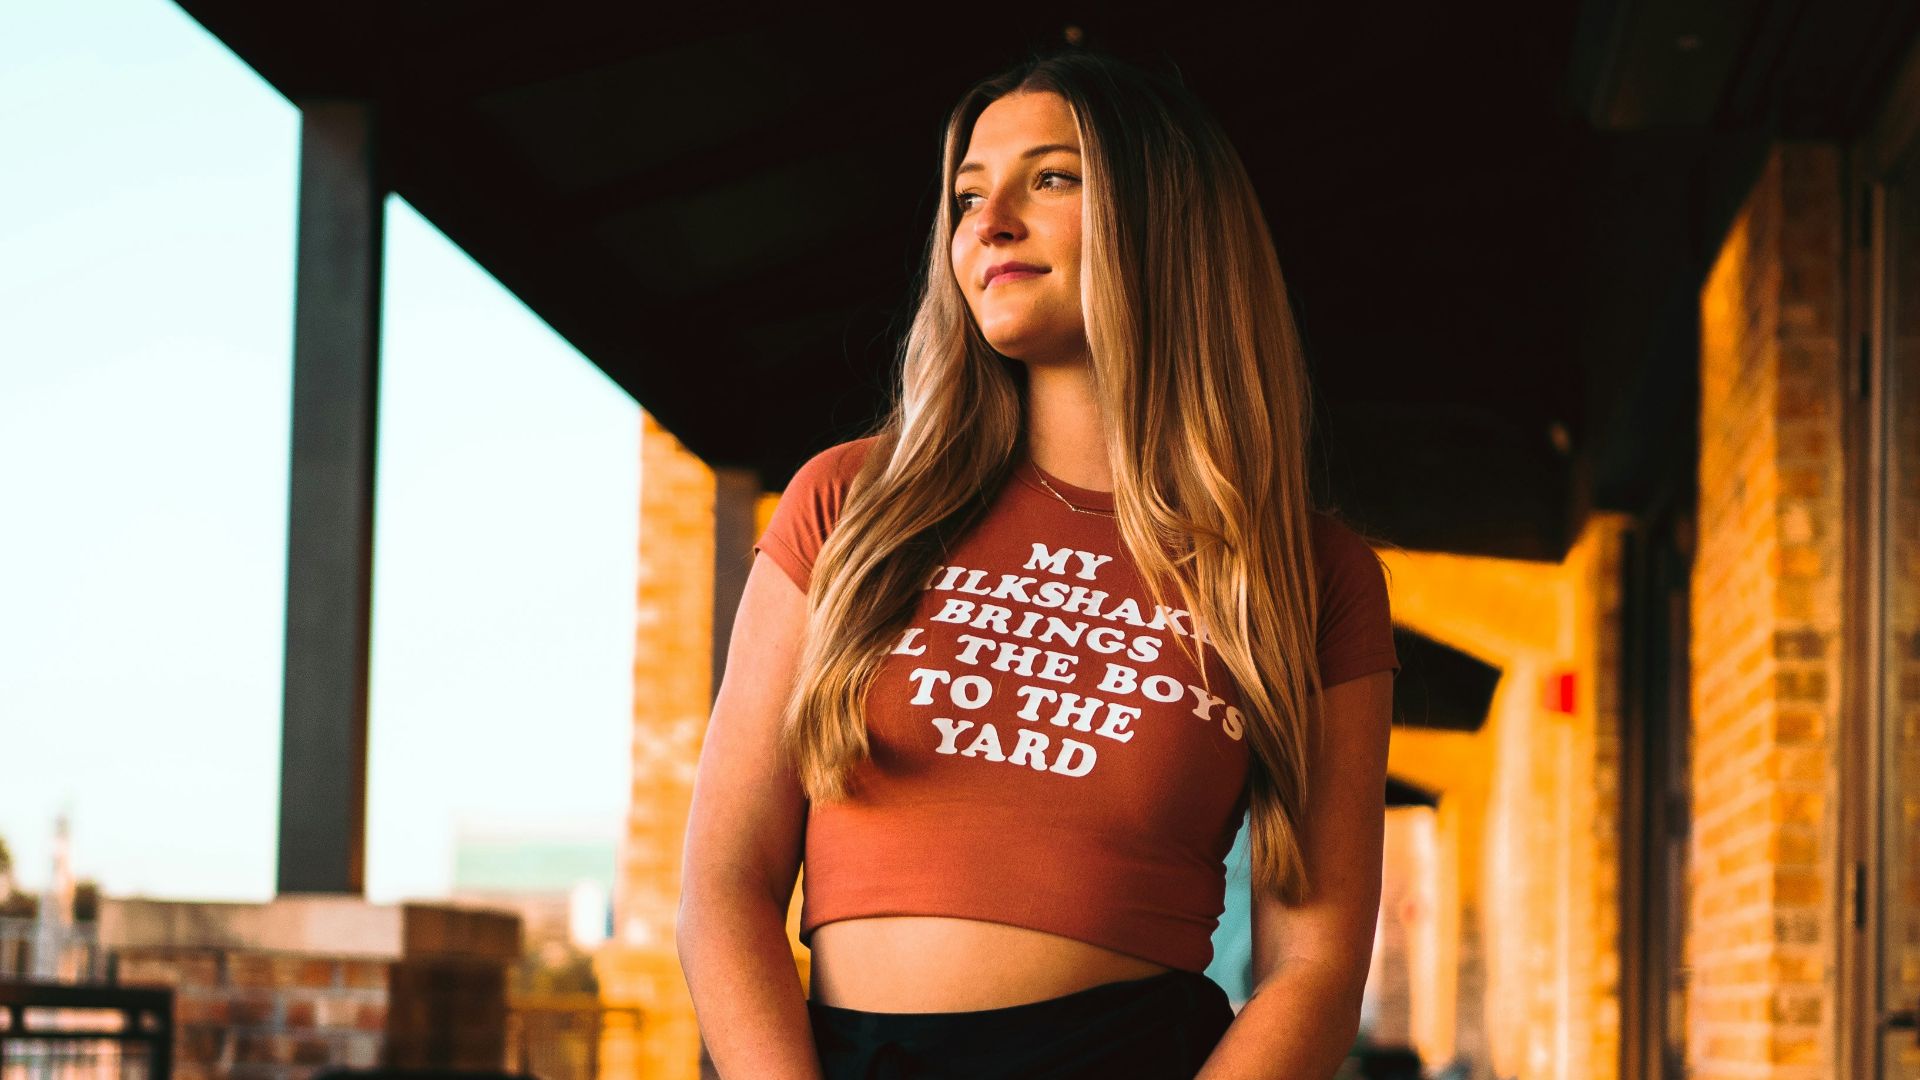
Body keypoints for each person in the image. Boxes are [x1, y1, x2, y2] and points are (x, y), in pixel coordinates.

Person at [677, 44, 1399, 1080]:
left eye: (1051, 178)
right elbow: (723, 889)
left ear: (1167, 220)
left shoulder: (1306, 571)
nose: (990, 222)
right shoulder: (850, 503)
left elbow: (1315, 967)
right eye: (969, 196)